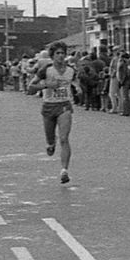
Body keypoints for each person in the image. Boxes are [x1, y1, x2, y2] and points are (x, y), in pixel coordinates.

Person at [27, 42, 78, 184]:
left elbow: (75, 81)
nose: (61, 56)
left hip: (64, 105)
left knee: (64, 138)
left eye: (63, 53)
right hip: (49, 106)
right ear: (52, 56)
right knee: (51, 141)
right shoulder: (46, 70)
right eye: (58, 53)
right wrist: (47, 85)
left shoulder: (71, 70)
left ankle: (64, 171)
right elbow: (30, 87)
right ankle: (50, 143)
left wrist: (77, 87)